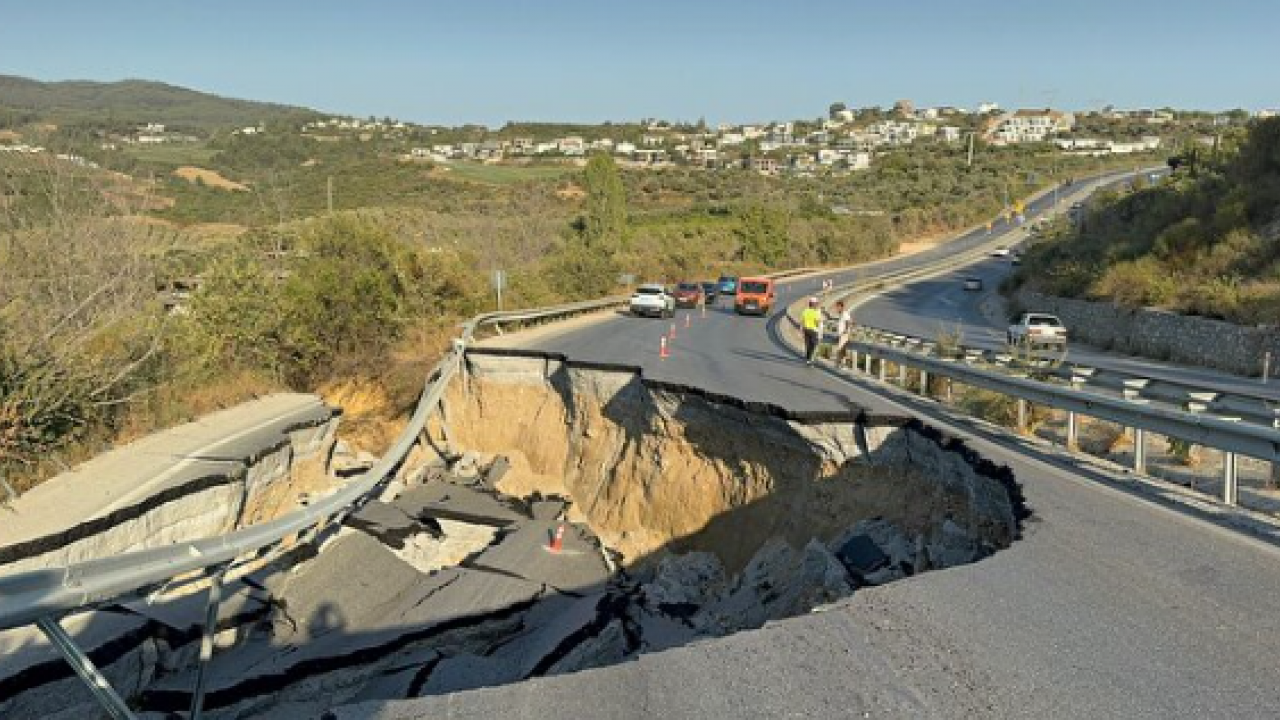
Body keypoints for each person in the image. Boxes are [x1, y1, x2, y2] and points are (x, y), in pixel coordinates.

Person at [828, 300, 854, 367]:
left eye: (838, 307)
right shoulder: (841, 314)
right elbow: (833, 319)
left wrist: (845, 331)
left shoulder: (845, 314)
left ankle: (837, 363)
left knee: (839, 349)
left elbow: (849, 322)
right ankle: (844, 363)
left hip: (844, 335)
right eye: (837, 307)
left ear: (842, 307)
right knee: (842, 350)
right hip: (841, 334)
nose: (837, 308)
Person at [801, 297, 823, 365]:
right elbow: (817, 322)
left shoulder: (805, 311)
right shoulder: (815, 312)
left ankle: (808, 359)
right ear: (813, 304)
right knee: (813, 345)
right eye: (816, 303)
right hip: (813, 330)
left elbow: (803, 320)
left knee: (808, 345)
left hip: (806, 329)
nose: (816, 305)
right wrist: (819, 328)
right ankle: (810, 358)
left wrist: (802, 329)